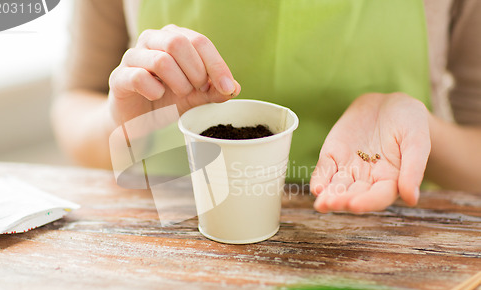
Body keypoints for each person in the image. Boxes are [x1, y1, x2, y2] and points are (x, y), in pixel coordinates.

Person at [52, 0, 481, 214]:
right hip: (173, 231)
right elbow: (73, 104)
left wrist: (417, 128)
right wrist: (125, 121)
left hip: (390, 236)